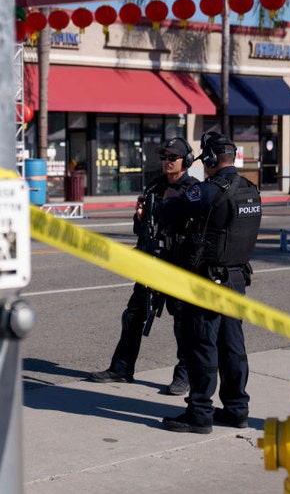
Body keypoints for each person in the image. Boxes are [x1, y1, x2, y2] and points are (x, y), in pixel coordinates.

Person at [154, 131, 262, 434]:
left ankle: (200, 412)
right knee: (233, 345)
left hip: (209, 281)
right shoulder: (250, 190)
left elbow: (169, 212)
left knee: (202, 344)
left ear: (212, 159)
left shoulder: (210, 190)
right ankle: (237, 409)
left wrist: (166, 202)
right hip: (237, 279)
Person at [89, 137, 200, 395]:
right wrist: (140, 217)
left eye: (172, 157)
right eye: (164, 157)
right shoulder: (154, 187)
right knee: (133, 315)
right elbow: (141, 228)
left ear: (187, 161)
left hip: (177, 266)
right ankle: (121, 368)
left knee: (182, 322)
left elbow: (197, 230)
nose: (166, 162)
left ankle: (184, 375)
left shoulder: (193, 190)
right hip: (151, 262)